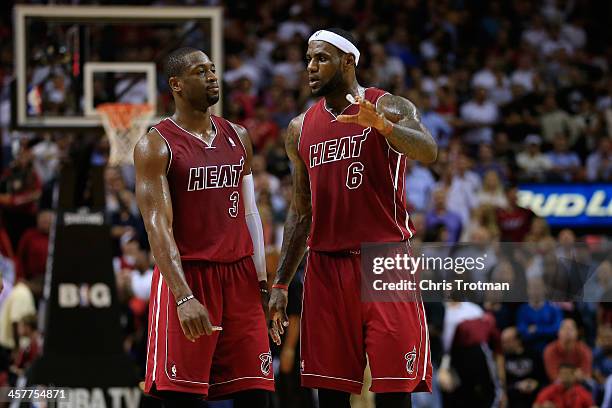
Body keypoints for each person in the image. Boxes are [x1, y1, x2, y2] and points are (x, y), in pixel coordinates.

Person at [268, 28, 437, 408]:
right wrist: (280, 284)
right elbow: (300, 211)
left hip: (384, 259)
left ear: (348, 62)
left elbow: (428, 150)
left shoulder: (386, 104)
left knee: (394, 390)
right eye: (308, 59)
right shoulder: (300, 128)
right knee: (330, 394)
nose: (311, 67)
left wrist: (384, 127)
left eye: (321, 58)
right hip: (326, 266)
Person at [135, 47, 273, 407]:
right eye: (201, 71)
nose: (213, 76)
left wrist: (261, 281)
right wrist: (182, 296)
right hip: (190, 277)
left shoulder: (238, 135)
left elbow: (250, 213)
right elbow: (157, 227)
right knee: (183, 400)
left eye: (213, 69)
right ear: (177, 84)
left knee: (258, 396)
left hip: (240, 277)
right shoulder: (156, 144)